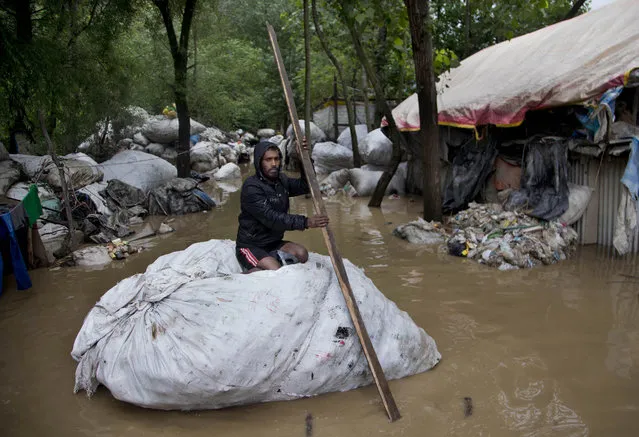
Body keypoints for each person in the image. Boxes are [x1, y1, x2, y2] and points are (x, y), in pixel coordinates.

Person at [235, 137, 329, 272]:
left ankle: (271, 259)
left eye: (276, 159)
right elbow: (271, 218)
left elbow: (306, 186)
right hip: (251, 245)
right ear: (259, 162)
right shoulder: (251, 187)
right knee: (274, 270)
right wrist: (306, 222)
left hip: (273, 242)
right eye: (268, 160)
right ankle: (251, 271)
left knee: (302, 253)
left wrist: (303, 159)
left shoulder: (281, 181)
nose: (274, 163)